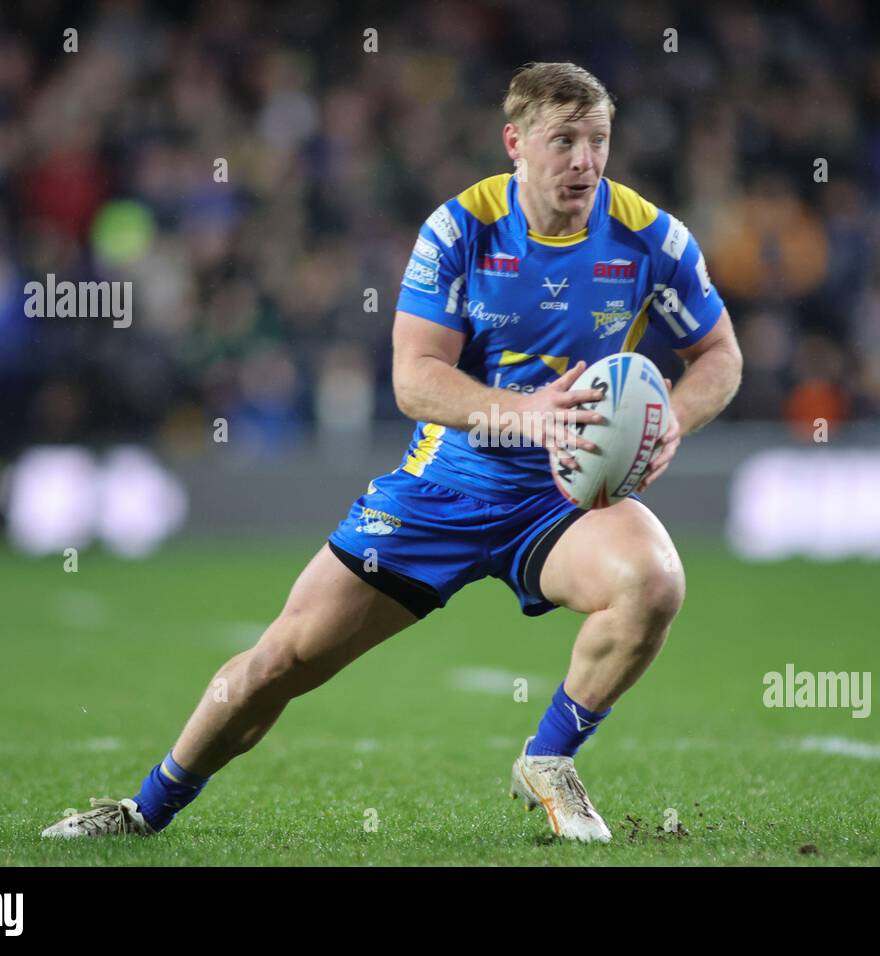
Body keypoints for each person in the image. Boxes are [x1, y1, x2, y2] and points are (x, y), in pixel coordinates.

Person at [42, 61, 743, 844]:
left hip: (564, 498)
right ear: (515, 143)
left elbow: (719, 354)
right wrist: (527, 416)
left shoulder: (651, 237)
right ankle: (145, 809)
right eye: (564, 141)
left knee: (654, 580)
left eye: (598, 141)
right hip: (443, 490)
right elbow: (415, 379)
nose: (585, 161)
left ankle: (549, 758)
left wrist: (670, 421)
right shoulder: (461, 229)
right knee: (280, 662)